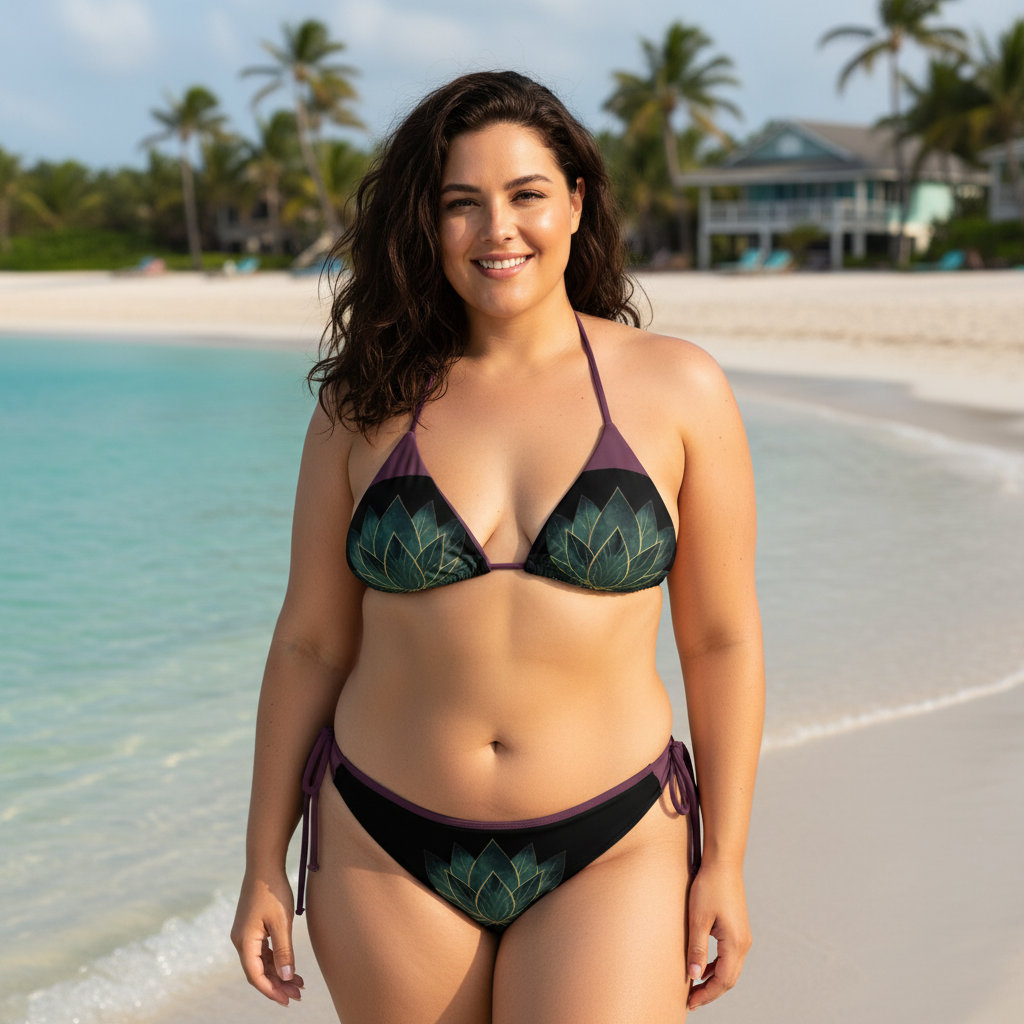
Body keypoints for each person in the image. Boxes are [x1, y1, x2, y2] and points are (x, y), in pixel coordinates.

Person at [231, 70, 764, 1023]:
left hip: (613, 837)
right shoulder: (360, 406)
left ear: (575, 202)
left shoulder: (677, 389)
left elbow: (720, 638)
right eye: (461, 205)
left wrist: (723, 861)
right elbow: (311, 639)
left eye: (525, 195)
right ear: (425, 226)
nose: (497, 230)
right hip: (381, 840)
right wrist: (260, 863)